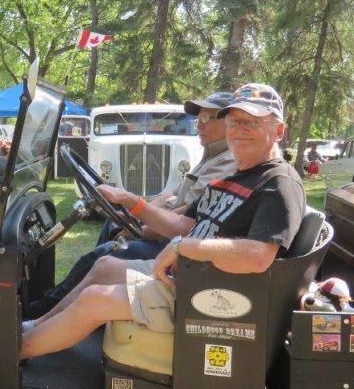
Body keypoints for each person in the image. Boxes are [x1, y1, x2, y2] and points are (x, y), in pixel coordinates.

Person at [20, 83, 306, 361]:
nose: (240, 130)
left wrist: (184, 248)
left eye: (253, 122)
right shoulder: (235, 177)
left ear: (278, 131)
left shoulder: (278, 183)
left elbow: (258, 257)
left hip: (208, 294)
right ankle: (34, 325)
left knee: (95, 298)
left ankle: (9, 358)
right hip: (185, 277)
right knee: (104, 266)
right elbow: (183, 225)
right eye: (234, 121)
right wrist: (132, 202)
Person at [25, 91, 237, 319]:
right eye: (199, 119)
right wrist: (136, 218)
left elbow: (184, 221)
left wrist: (141, 227)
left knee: (102, 255)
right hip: (170, 236)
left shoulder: (227, 163)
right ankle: (67, 302)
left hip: (175, 248)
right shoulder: (212, 158)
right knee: (109, 230)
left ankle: (41, 313)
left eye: (207, 118)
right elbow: (170, 195)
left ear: (228, 122)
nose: (199, 125)